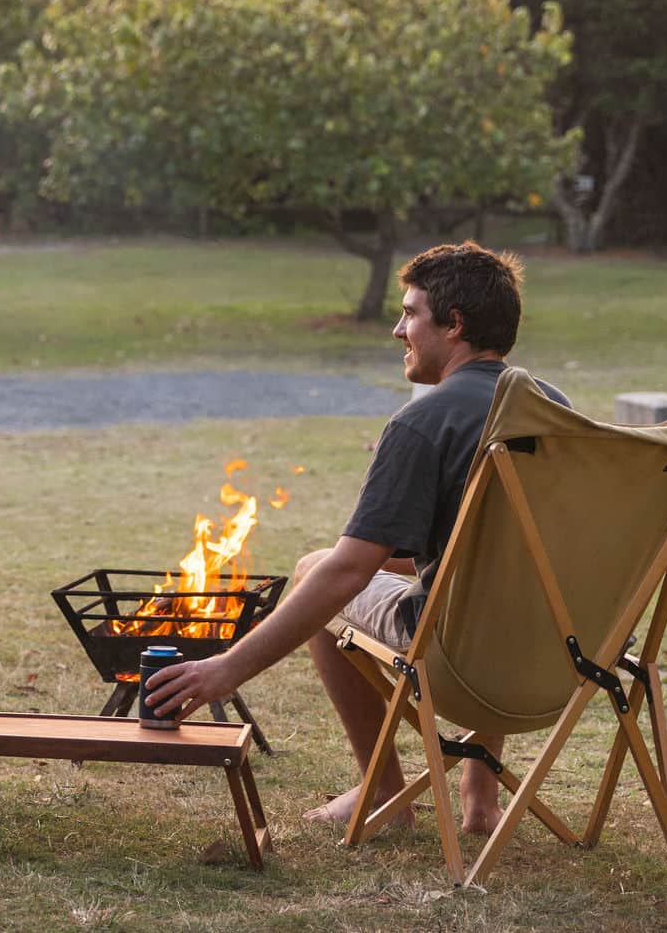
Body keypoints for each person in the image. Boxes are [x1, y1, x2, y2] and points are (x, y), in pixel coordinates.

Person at [144, 241, 567, 835]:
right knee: (490, 577)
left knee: (318, 565)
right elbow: (505, 542)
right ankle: (480, 801)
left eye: (411, 314)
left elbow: (348, 573)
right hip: (561, 660)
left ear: (455, 324)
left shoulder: (422, 422)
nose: (398, 329)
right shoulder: (555, 407)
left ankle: (384, 794)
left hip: (463, 666)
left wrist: (227, 668)